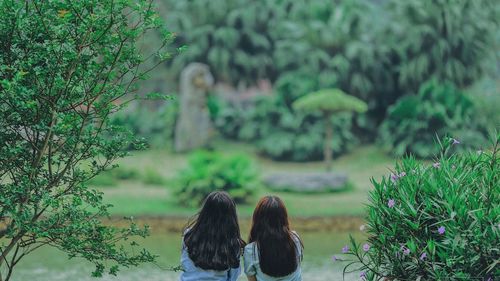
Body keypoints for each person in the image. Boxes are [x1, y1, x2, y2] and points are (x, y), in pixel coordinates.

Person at [180, 191, 245, 281]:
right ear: (231, 217)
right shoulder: (233, 243)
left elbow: (185, 266)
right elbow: (233, 277)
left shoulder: (189, 236)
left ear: (205, 211)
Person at [244, 196, 304, 281]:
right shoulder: (295, 240)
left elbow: (251, 279)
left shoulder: (251, 250)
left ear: (258, 219)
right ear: (283, 217)